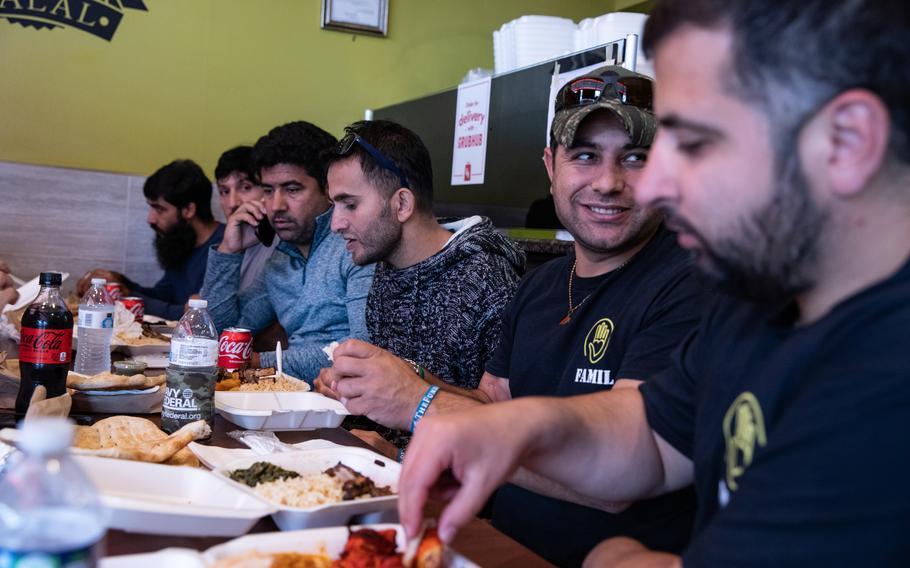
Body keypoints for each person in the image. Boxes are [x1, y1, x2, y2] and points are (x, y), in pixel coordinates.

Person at [398, 0, 910, 566]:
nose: (652, 185)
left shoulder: (884, 378)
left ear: (847, 141)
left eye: (693, 144)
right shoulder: (756, 298)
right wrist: (520, 424)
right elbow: (654, 439)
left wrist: (612, 556)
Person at [321, 69, 703, 566]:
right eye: (584, 156)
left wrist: (417, 401)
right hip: (491, 543)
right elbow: (488, 401)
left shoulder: (691, 282)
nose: (608, 182)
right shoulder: (542, 284)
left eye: (635, 158)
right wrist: (398, 382)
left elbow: (619, 479)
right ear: (550, 165)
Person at [315, 119, 525, 454]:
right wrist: (352, 390)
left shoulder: (486, 279)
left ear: (401, 204)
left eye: (349, 204)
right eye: (334, 206)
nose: (336, 224)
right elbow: (390, 414)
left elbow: (509, 428)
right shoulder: (386, 268)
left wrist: (395, 454)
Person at [203, 121, 374, 381]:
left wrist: (261, 361)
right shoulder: (279, 260)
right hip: (295, 396)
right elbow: (220, 333)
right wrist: (229, 251)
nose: (276, 205)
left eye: (292, 189)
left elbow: (363, 351)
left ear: (328, 189)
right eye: (269, 191)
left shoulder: (356, 247)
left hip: (349, 405)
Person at [77, 160, 224, 320]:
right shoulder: (182, 240)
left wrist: (128, 295)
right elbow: (163, 297)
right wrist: (119, 281)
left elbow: (194, 313)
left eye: (159, 209)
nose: (150, 219)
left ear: (188, 210)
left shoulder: (225, 249)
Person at [209, 145, 277, 292]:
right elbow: (207, 309)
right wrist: (227, 250)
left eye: (245, 187)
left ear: (267, 191)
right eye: (224, 191)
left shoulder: (282, 244)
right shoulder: (227, 241)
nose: (233, 203)